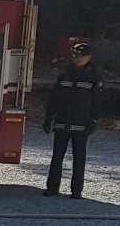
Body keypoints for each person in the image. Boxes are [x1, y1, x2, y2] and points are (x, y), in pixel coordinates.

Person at [43, 41, 101, 198]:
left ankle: (76, 191)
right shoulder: (64, 74)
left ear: (89, 57)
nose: (78, 58)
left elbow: (97, 101)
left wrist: (94, 120)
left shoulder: (94, 77)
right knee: (57, 157)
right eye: (76, 55)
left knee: (79, 159)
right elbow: (54, 98)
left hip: (81, 124)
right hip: (62, 122)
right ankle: (52, 188)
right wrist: (48, 118)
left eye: (82, 56)